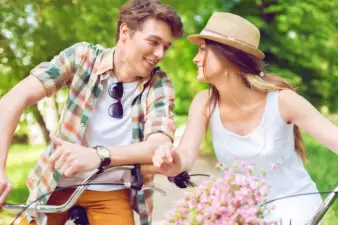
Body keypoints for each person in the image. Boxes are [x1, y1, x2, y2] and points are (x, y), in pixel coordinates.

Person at [0, 0, 183, 224]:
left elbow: (157, 145)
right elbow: (12, 100)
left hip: (111, 190)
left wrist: (98, 156)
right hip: (56, 183)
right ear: (125, 32)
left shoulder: (159, 83)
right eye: (153, 42)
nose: (160, 53)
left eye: (165, 46)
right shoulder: (83, 57)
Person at [152, 12, 338, 225]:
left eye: (203, 50)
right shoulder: (205, 102)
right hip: (245, 216)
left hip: (298, 213)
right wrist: (173, 163)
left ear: (227, 55)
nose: (196, 58)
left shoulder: (283, 101)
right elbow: (185, 155)